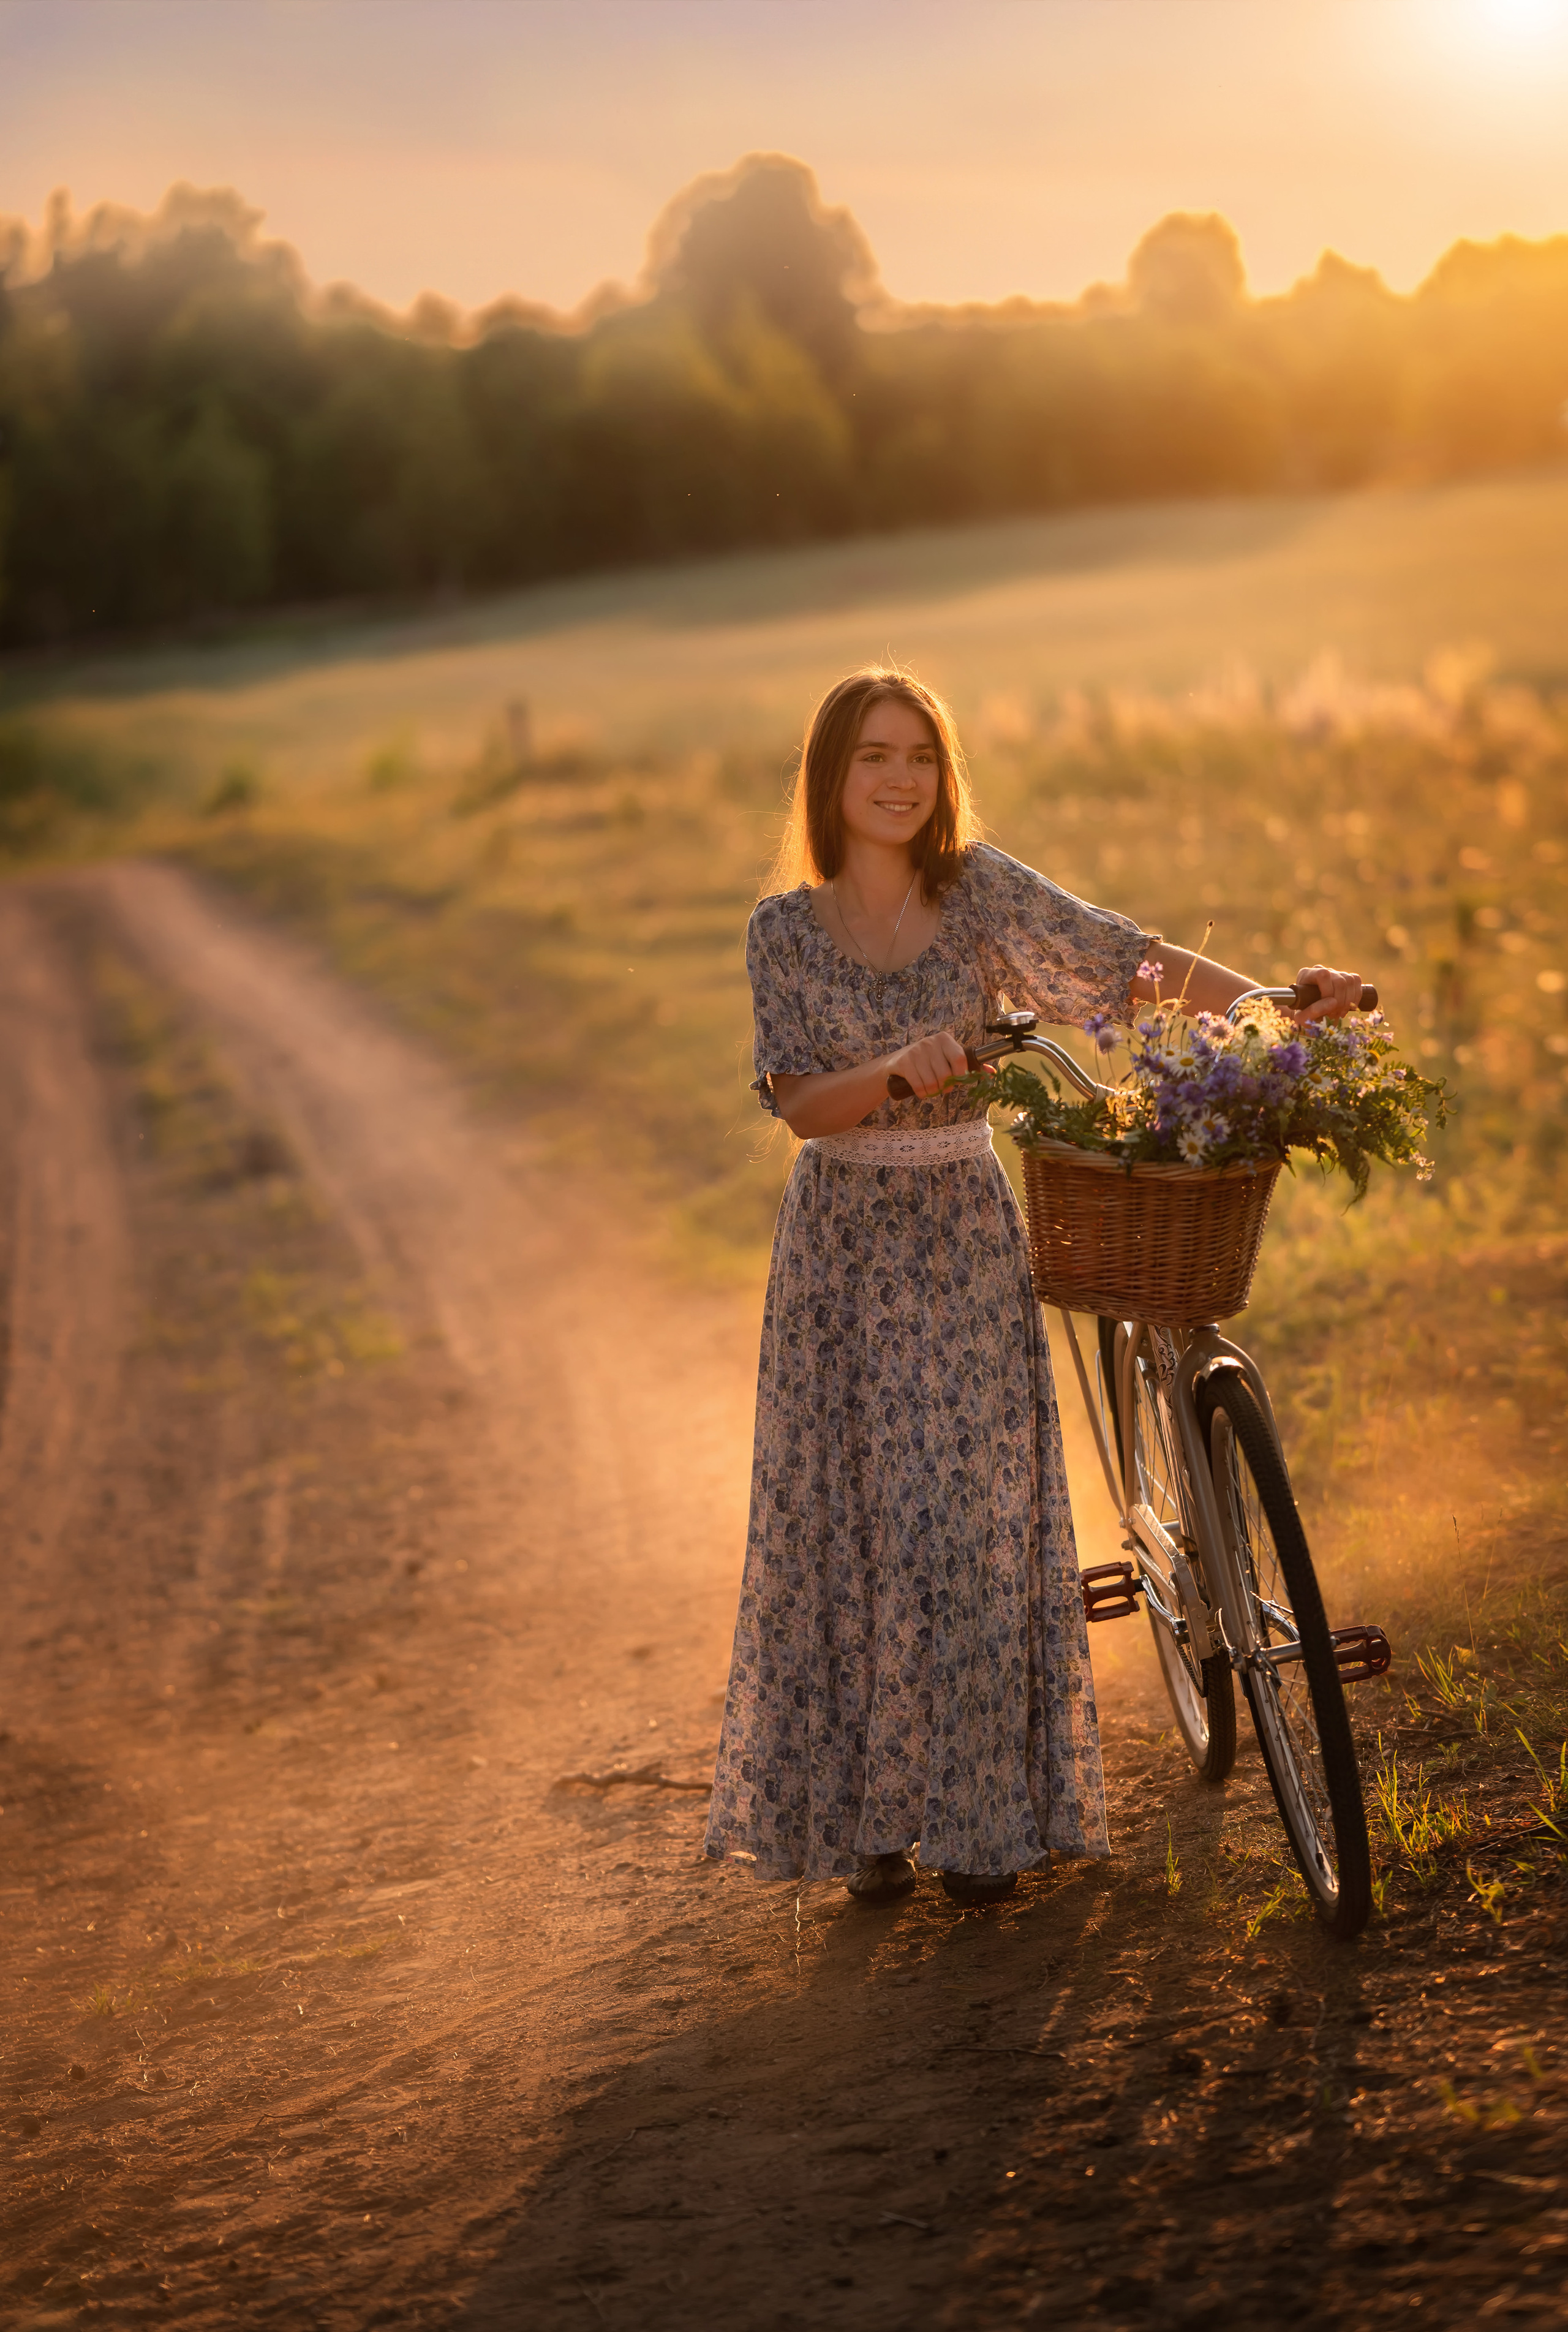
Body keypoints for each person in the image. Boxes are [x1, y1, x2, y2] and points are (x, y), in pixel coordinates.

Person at [703, 668, 1363, 1908]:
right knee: (858, 1526)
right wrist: (896, 1067)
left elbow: (1127, 964)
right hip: (842, 1244)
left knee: (966, 1519)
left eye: (919, 756)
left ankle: (980, 1820)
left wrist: (1274, 996)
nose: (899, 780)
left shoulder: (979, 891)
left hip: (960, 1224)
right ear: (829, 779)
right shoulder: (780, 931)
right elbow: (797, 1102)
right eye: (872, 758)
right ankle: (870, 1822)